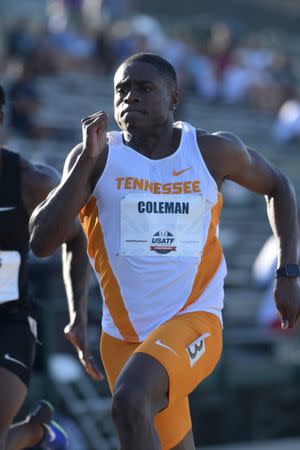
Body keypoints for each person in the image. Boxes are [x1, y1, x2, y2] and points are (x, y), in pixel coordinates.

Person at [29, 53, 300, 450]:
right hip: (123, 337)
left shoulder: (210, 151)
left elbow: (280, 186)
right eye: (121, 89)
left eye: (144, 88)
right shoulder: (96, 157)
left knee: (130, 400)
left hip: (195, 321)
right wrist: (84, 163)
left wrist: (288, 273)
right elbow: (41, 242)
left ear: (173, 98)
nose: (130, 98)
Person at [0, 84, 102, 450]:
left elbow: (77, 236)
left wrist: (77, 315)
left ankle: (33, 432)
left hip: (8, 320)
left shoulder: (30, 180)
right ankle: (33, 433)